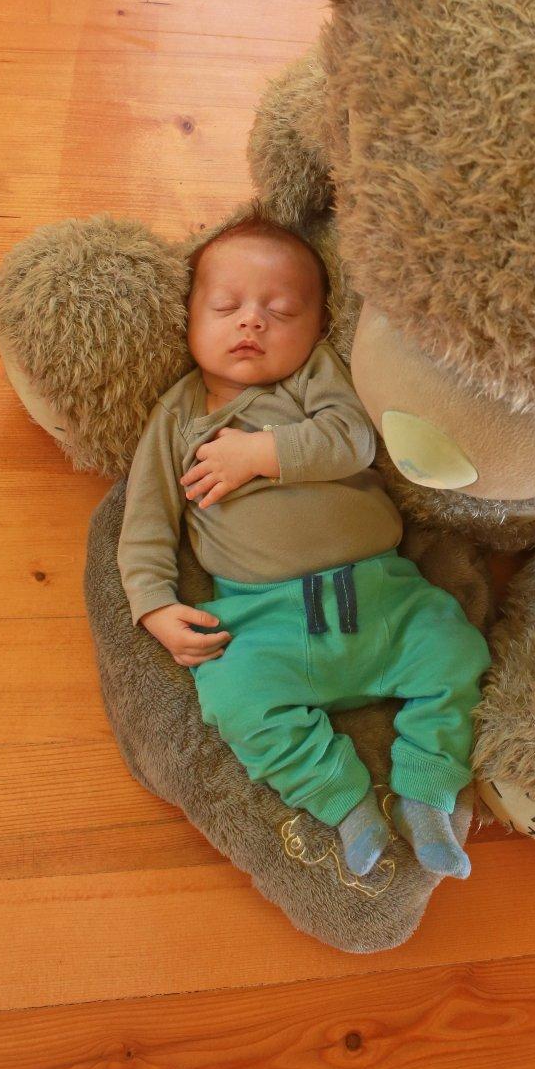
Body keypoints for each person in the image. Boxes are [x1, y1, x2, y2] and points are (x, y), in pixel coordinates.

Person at [118, 212, 489, 879]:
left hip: (381, 596)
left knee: (455, 649)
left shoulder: (314, 376)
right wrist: (154, 605)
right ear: (190, 320)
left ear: (318, 327)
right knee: (233, 698)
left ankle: (429, 789)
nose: (251, 321)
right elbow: (146, 522)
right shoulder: (177, 417)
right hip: (264, 620)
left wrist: (261, 453)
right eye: (226, 307)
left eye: (282, 311)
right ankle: (343, 804)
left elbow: (355, 440)